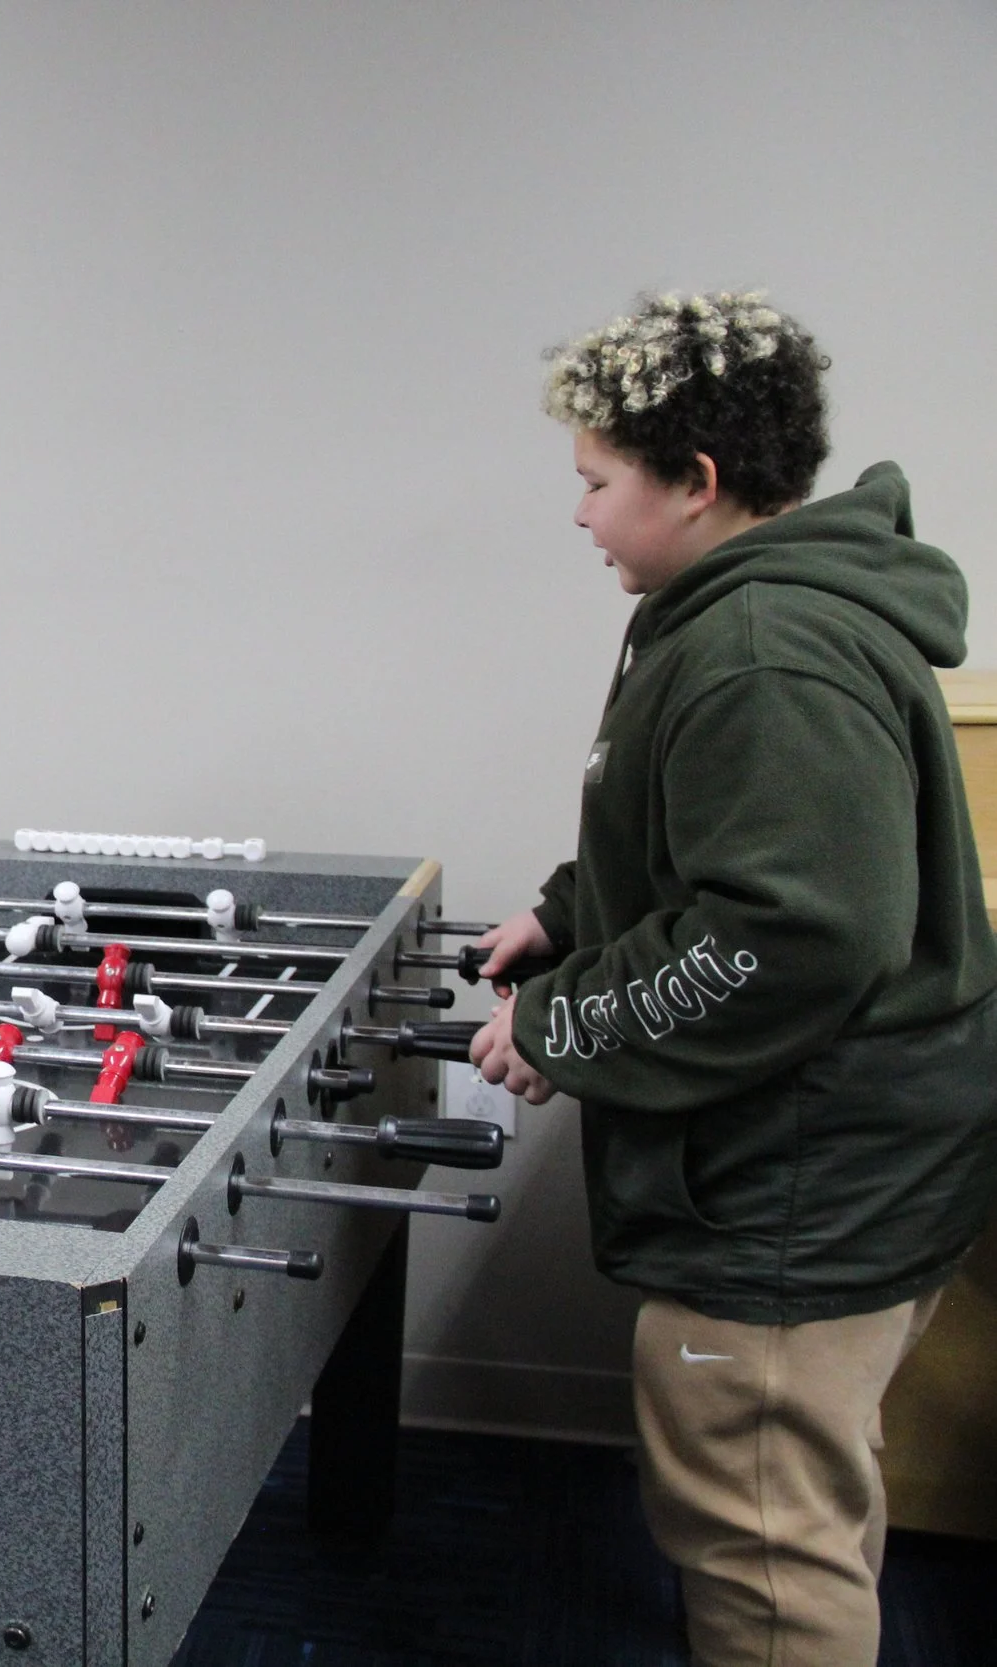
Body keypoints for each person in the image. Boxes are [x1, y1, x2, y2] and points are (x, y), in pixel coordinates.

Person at [469, 293, 997, 1666]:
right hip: (844, 1159)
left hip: (799, 1183)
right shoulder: (741, 611)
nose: (580, 515)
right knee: (800, 1495)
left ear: (694, 483)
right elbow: (710, 840)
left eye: (597, 482)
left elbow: (787, 935)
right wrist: (566, 914)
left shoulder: (764, 649)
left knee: (762, 1538)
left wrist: (564, 1020)